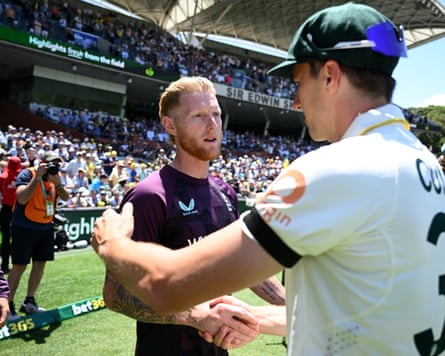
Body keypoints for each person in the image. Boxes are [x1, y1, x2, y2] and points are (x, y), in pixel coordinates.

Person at [91, 3, 445, 354]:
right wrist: (254, 318)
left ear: (330, 76)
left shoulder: (336, 168)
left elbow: (167, 285)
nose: (295, 101)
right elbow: (362, 303)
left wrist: (113, 244)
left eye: (298, 81)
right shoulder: (426, 164)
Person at [102, 76, 286, 355]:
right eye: (199, 116)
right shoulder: (149, 196)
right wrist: (195, 316)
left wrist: (289, 305)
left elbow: (240, 262)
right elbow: (116, 294)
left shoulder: (225, 192)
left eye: (216, 114)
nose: (212, 124)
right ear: (170, 125)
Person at [8, 151, 70, 319]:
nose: (54, 167)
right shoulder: (28, 173)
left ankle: (30, 301)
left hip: (45, 227)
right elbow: (21, 198)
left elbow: (65, 197)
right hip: (24, 226)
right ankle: (7, 305)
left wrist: (58, 185)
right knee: (19, 266)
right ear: (42, 163)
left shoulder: (55, 178)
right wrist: (36, 179)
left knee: (40, 264)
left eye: (57, 164)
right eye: (51, 163)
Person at [0, 156, 22, 273]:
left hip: (6, 209)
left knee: (6, 238)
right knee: (18, 238)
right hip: (19, 209)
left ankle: (4, 265)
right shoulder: (22, 176)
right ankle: (17, 263)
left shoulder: (3, 177)